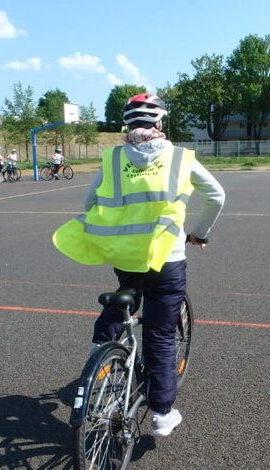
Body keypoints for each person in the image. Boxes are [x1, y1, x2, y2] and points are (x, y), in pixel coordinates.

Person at [53, 93, 225, 437]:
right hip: (166, 257)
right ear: (159, 123)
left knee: (126, 296)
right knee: (160, 335)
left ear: (128, 125)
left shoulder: (114, 158)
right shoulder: (179, 157)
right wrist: (198, 233)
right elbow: (216, 195)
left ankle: (101, 349)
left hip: (125, 254)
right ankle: (162, 413)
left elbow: (90, 202)